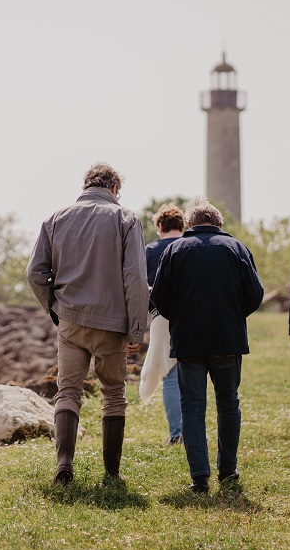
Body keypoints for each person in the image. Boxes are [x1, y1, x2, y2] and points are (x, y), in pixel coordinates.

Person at [26, 162, 149, 485]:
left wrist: (54, 308)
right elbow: (135, 278)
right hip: (112, 324)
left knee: (67, 391)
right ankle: (111, 473)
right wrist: (137, 328)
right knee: (114, 394)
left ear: (85, 186)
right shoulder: (126, 219)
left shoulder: (55, 219)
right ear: (114, 190)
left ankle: (64, 465)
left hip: (70, 321)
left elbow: (34, 274)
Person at [149, 200, 264, 494]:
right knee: (228, 403)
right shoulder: (236, 248)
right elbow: (255, 294)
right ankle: (228, 469)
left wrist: (181, 317)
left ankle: (200, 476)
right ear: (220, 224)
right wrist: (233, 315)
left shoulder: (175, 250)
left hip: (189, 340)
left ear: (190, 224)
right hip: (227, 337)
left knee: (192, 406)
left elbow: (159, 296)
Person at [141, 203, 186, 445]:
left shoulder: (149, 251)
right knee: (192, 373)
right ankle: (193, 430)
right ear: (182, 225)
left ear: (160, 226)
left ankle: (177, 433)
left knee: (169, 374)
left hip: (161, 317)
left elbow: (141, 286)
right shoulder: (191, 245)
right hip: (192, 316)